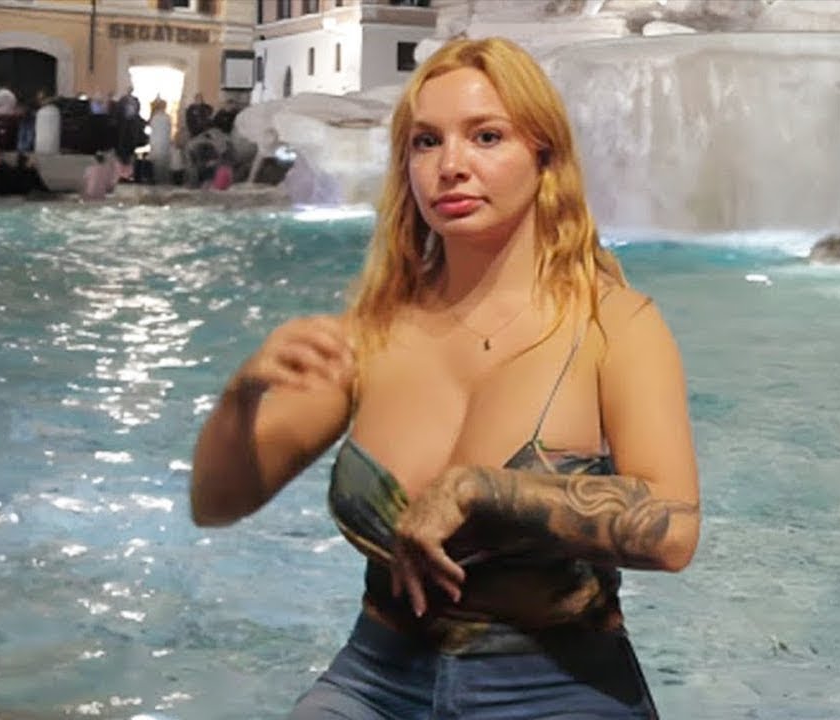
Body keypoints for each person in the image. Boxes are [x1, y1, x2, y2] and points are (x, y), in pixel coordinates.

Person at [190, 36, 700, 719]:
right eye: (426, 142)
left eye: (486, 137)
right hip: (375, 679)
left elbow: (674, 532)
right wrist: (240, 396)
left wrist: (482, 489)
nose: (451, 166)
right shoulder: (371, 333)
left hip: (557, 685)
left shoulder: (616, 326)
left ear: (544, 156)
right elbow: (217, 504)